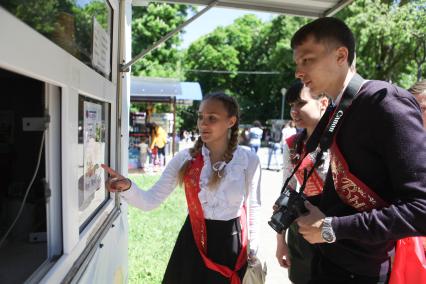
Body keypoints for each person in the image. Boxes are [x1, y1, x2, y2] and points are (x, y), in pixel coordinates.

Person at [290, 17, 426, 283]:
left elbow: (421, 209)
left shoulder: (385, 102)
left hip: (361, 272)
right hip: (329, 261)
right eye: (297, 63)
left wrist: (331, 228)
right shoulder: (339, 107)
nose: (298, 71)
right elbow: (350, 191)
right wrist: (307, 206)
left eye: (307, 59)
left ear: (341, 55)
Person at [102, 92, 262, 284]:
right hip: (193, 242)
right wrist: (127, 187)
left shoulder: (248, 160)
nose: (203, 123)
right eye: (201, 117)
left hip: (231, 244)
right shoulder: (185, 158)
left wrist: (254, 246)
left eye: (212, 118)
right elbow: (150, 201)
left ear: (231, 121)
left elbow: (254, 207)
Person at [275, 81, 330, 284]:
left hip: (335, 228)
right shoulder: (292, 145)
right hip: (302, 231)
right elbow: (286, 192)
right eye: (291, 105)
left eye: (301, 103)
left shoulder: (340, 141)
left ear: (323, 102)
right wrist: (280, 241)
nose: (294, 111)